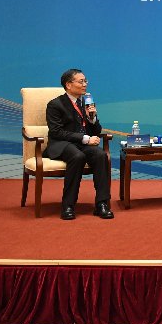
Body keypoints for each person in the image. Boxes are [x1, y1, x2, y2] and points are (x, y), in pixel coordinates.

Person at [44, 68, 113, 220]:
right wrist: (85, 139)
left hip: (81, 145)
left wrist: (92, 118)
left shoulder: (86, 104)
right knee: (77, 156)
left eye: (85, 81)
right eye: (81, 81)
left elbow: (96, 131)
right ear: (68, 85)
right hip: (62, 144)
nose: (85, 84)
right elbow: (56, 132)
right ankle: (68, 205)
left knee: (100, 155)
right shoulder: (55, 104)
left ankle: (102, 204)